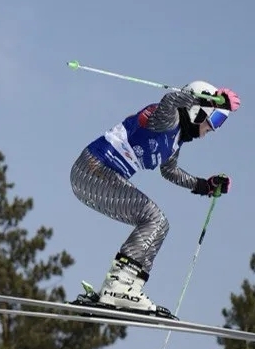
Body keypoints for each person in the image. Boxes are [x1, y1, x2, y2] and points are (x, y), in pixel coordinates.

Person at [70, 80, 240, 316]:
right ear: (198, 111)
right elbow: (170, 100)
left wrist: (204, 185)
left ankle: (129, 288)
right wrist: (211, 99)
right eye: (211, 123)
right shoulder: (167, 118)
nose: (208, 132)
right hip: (94, 169)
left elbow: (169, 171)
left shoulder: (175, 140)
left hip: (100, 177)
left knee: (161, 225)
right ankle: (117, 287)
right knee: (154, 218)